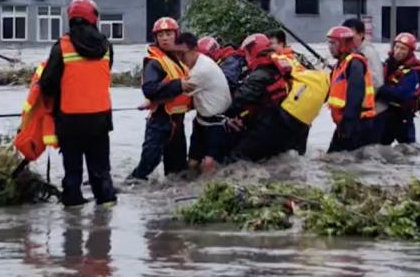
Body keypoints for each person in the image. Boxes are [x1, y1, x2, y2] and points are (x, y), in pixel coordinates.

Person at [37, 0, 116, 207]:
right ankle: (106, 207)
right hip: (100, 119)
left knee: (72, 172)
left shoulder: (61, 47)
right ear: (94, 18)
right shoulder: (107, 46)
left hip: (69, 120)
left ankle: (72, 210)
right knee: (101, 171)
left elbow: (47, 84)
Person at [225, 33, 308, 162]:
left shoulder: (261, 73)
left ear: (253, 51)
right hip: (291, 124)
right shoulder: (282, 65)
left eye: (247, 53)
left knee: (236, 158)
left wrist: (222, 113)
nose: (246, 57)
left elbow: (239, 100)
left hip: (271, 126)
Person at [129, 17, 193, 181]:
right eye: (161, 35)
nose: (164, 38)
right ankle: (128, 189)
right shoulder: (154, 63)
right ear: (155, 38)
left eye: (168, 34)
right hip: (159, 123)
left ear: (176, 35)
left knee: (177, 172)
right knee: (148, 166)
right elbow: (149, 89)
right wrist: (178, 85)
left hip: (177, 122)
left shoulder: (180, 59)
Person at [179, 33, 232, 172]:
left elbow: (177, 95)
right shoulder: (196, 63)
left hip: (216, 123)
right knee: (192, 163)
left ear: (195, 49)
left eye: (182, 54)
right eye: (176, 54)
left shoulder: (201, 70)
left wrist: (151, 104)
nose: (180, 59)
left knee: (209, 164)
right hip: (201, 120)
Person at [326, 25, 375, 153]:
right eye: (329, 43)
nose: (330, 47)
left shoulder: (355, 64)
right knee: (334, 161)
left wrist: (347, 126)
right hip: (346, 123)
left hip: (357, 123)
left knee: (346, 162)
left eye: (333, 43)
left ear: (343, 44)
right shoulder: (340, 65)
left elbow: (355, 97)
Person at [342, 18, 386, 143]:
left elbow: (377, 82)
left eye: (351, 36)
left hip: (374, 111)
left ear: (361, 35)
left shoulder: (367, 53)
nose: (348, 40)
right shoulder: (354, 53)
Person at [376, 32, 420, 145]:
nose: (398, 51)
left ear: (409, 51)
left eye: (403, 49)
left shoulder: (413, 72)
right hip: (386, 113)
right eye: (397, 47)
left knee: (409, 148)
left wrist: (379, 89)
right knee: (380, 145)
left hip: (402, 116)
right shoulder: (388, 64)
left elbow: (402, 94)